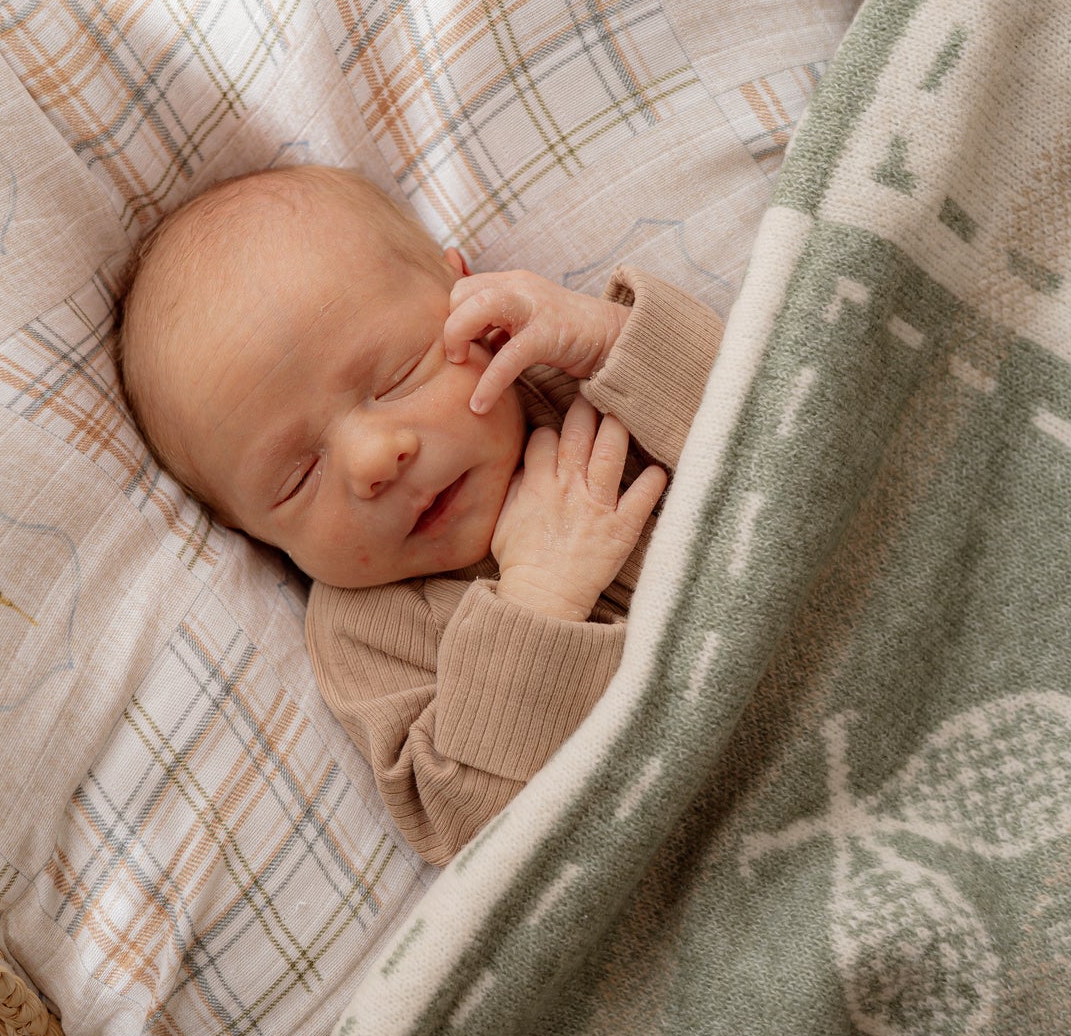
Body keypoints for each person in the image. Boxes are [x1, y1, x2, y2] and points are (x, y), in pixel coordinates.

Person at [116, 165, 724, 863]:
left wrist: (605, 336)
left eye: (399, 374)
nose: (375, 457)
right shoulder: (367, 635)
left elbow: (778, 409)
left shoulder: (574, 376)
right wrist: (542, 595)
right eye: (297, 477)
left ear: (468, 300)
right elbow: (467, 828)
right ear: (247, 531)